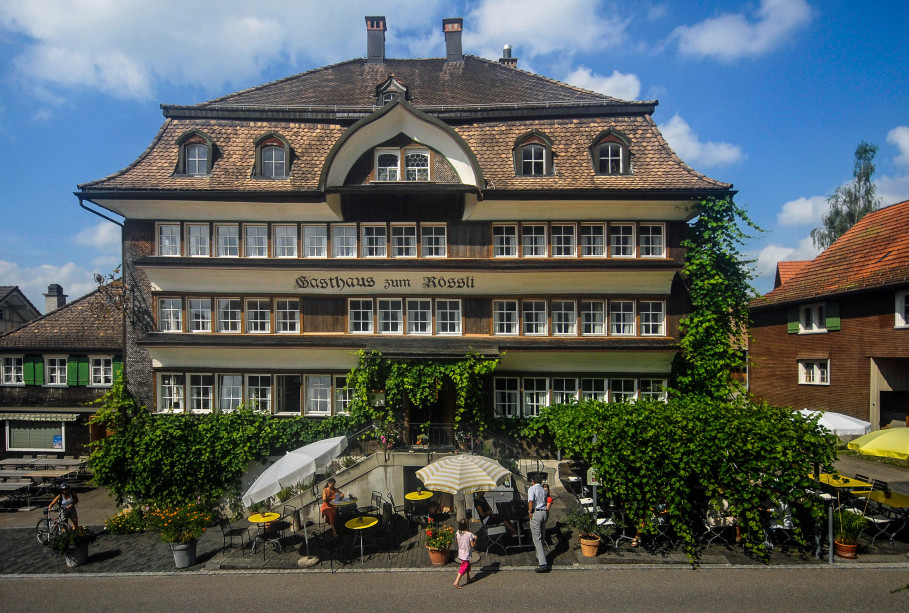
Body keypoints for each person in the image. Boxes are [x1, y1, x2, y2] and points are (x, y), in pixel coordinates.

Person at [527, 473, 549, 572]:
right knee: (542, 536)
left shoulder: (532, 489)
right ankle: (539, 556)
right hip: (544, 513)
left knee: (537, 538)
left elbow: (531, 501)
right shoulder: (543, 490)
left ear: (533, 481)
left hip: (537, 513)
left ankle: (543, 563)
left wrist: (529, 511)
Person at [453, 518, 477, 589]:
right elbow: (472, 545)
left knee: (468, 565)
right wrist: (475, 539)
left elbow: (458, 541)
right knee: (464, 567)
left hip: (461, 552)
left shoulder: (458, 532)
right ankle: (456, 581)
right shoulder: (469, 534)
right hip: (466, 554)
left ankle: (468, 578)